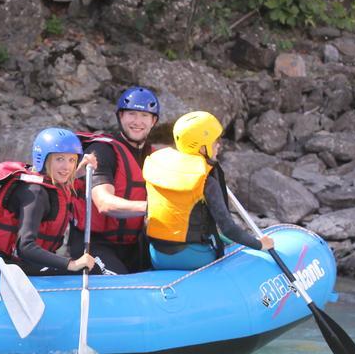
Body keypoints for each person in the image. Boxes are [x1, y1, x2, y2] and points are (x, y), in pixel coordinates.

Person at [144, 111, 274, 271]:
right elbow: (229, 228)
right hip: (192, 258)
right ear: (202, 148)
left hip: (156, 254)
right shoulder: (205, 179)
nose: (219, 144)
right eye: (215, 141)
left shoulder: (161, 165)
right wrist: (260, 244)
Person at [0, 128, 97, 276]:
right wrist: (71, 264)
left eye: (72, 160)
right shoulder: (34, 193)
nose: (67, 167)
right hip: (6, 266)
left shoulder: (51, 183)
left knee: (92, 268)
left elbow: (68, 182)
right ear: (43, 160)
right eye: (59, 159)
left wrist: (81, 169)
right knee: (86, 271)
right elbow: (25, 247)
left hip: (24, 263)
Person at [68, 85, 160, 274]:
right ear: (120, 117)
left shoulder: (156, 157)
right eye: (132, 114)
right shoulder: (103, 150)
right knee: (120, 280)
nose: (137, 121)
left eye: (144, 116)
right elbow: (104, 203)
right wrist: (153, 208)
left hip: (133, 244)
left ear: (153, 121)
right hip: (95, 243)